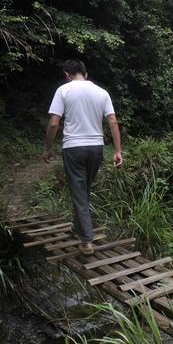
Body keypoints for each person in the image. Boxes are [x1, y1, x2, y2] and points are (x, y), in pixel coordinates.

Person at [42, 60, 122, 255]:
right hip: (96, 148)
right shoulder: (102, 93)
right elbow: (112, 121)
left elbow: (54, 123)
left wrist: (47, 148)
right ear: (85, 74)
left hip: (74, 148)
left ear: (67, 74)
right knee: (83, 190)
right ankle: (77, 227)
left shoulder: (64, 90)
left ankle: (86, 240)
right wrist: (117, 151)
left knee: (79, 192)